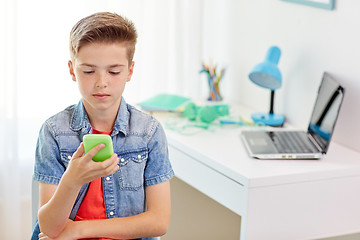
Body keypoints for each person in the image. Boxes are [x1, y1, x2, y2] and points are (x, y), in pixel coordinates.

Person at [31, 12, 174, 240]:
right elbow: (48, 227)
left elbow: (159, 221)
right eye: (88, 71)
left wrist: (79, 230)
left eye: (114, 71)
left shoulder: (148, 132)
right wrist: (72, 180)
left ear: (130, 71)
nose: (101, 82)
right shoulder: (54, 132)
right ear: (72, 70)